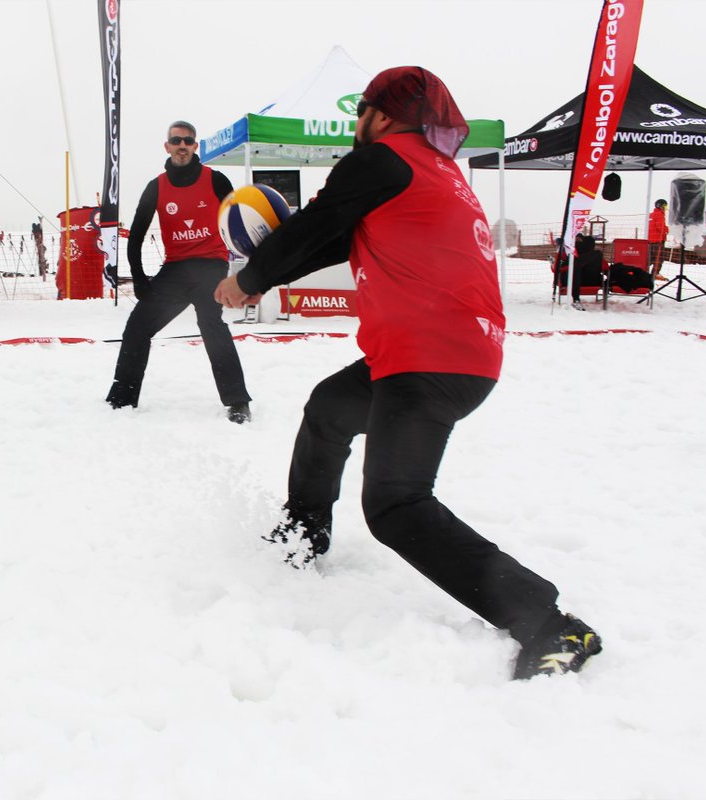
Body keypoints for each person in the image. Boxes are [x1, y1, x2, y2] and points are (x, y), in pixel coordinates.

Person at [214, 67, 601, 681]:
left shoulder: (380, 161)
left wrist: (248, 279)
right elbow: (334, 243)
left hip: (430, 358)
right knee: (328, 409)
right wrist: (263, 270)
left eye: (361, 110)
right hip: (444, 353)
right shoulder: (430, 169)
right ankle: (303, 532)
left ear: (384, 114)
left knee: (395, 505)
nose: (355, 123)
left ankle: (552, 625)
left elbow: (314, 231)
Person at [105, 120, 252, 423]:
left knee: (211, 325)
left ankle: (238, 401)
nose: (182, 145)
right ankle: (121, 401)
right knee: (137, 328)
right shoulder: (156, 186)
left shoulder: (215, 180)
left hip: (210, 265)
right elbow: (135, 236)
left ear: (195, 146)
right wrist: (141, 278)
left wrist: (247, 268)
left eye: (188, 140)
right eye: (176, 140)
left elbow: (239, 220)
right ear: (167, 146)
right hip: (175, 269)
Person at [648, 199, 669, 280]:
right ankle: (655, 273)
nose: (665, 208)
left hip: (650, 241)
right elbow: (661, 228)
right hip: (658, 241)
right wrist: (668, 229)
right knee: (659, 258)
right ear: (661, 206)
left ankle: (643, 271)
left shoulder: (651, 215)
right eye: (665, 206)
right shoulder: (659, 215)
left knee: (650, 258)